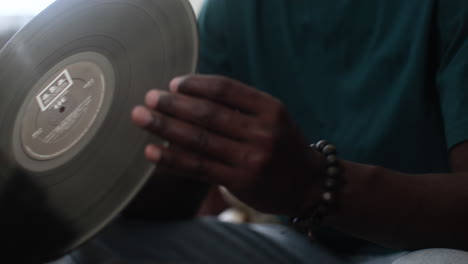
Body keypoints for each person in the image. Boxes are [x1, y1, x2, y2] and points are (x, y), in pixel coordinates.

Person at [53, 0, 468, 263]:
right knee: (87, 242)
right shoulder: (230, 13)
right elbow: (189, 201)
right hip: (302, 250)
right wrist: (103, 171)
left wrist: (313, 183)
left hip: (419, 250)